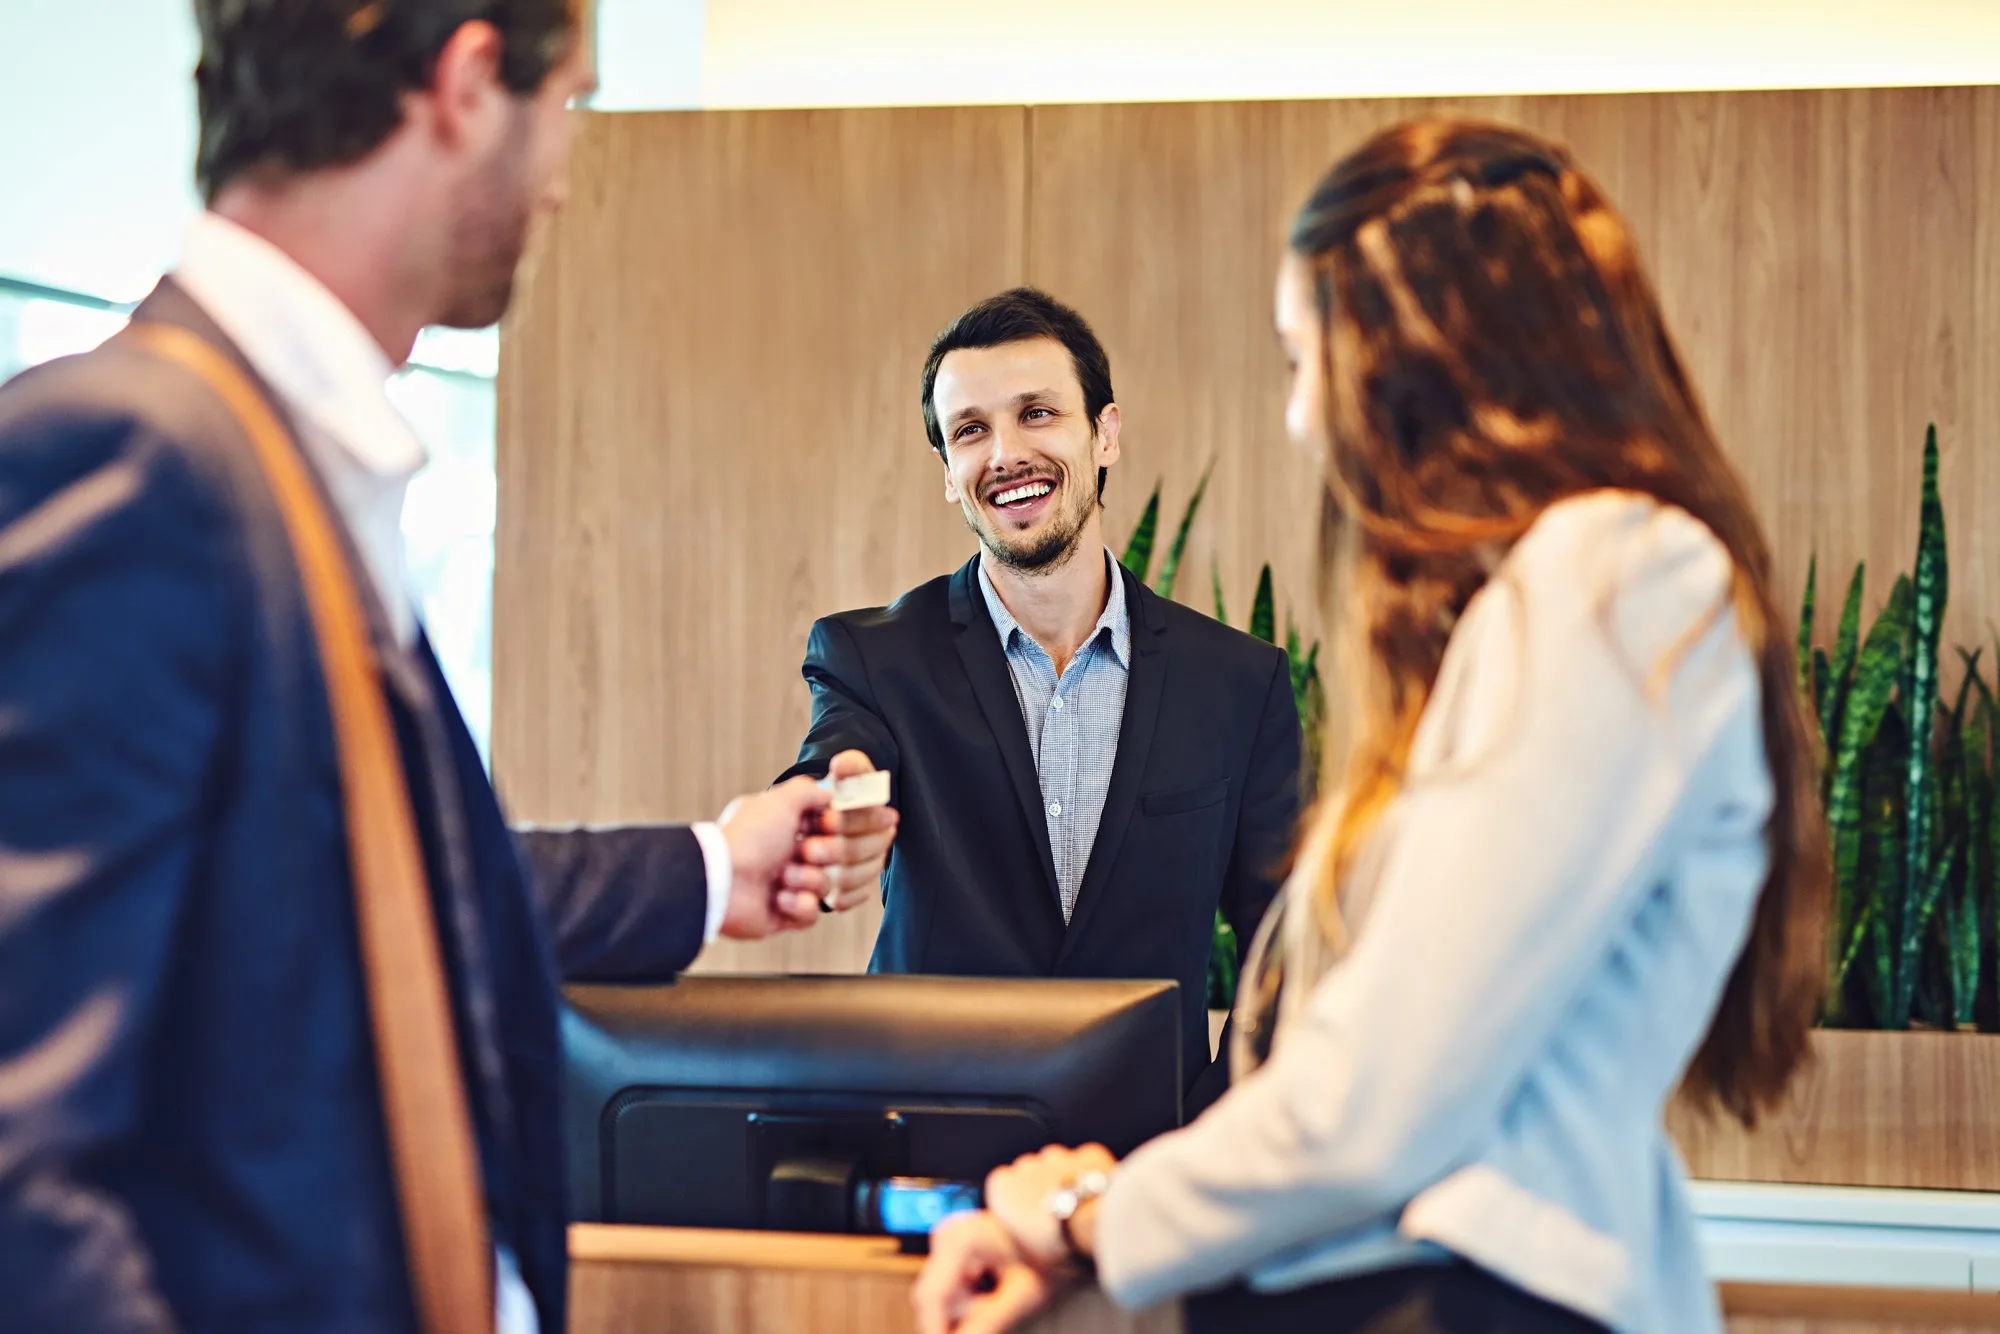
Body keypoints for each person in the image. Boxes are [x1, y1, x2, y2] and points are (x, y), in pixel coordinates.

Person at [0, 3, 895, 1332]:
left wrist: (719, 868)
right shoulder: (134, 455)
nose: (566, 179)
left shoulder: (291, 464)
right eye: (570, 108)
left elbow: (407, 903)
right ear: (470, 85)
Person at [912, 120, 1829, 1334]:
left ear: (1420, 339)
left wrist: (1091, 1212)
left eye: (1305, 357)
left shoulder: (1611, 574)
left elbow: (1383, 1092)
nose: (1300, 417)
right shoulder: (1545, 594)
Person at [782, 287, 1303, 1110]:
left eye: (1037, 414)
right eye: (971, 431)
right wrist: (831, 803)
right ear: (949, 476)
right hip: (929, 1148)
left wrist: (1206, 1129)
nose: (1005, 454)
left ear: (1105, 434)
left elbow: (1288, 952)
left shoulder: (1240, 684)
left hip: (1144, 1175)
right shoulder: (871, 658)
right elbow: (838, 763)